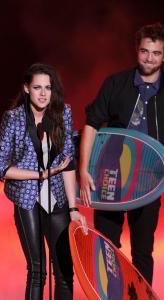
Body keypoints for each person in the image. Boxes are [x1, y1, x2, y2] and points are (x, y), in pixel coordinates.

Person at [0, 63, 87, 300]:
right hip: (26, 198)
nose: (43, 94)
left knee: (65, 271)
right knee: (37, 270)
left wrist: (73, 208)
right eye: (37, 87)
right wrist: (40, 175)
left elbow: (68, 161)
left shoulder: (62, 113)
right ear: (26, 89)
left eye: (48, 88)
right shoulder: (13, 119)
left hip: (56, 198)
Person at [79, 22, 164, 285]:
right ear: (136, 51)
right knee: (106, 248)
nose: (149, 58)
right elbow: (92, 125)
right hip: (109, 178)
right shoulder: (116, 83)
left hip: (149, 182)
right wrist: (83, 170)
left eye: (156, 53)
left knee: (142, 252)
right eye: (144, 51)